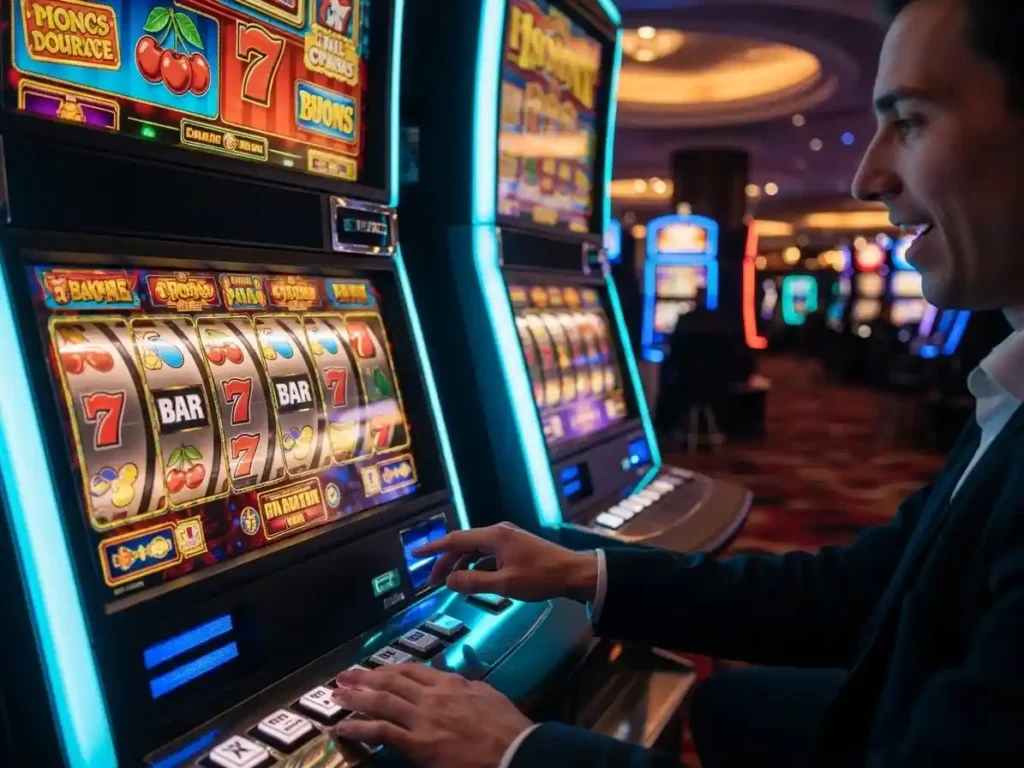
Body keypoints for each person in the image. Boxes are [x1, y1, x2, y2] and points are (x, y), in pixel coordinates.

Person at [329, 0, 1024, 765]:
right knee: (729, 704)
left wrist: (518, 751)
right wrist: (584, 570)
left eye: (913, 120)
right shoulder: (1010, 391)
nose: (869, 176)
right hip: (897, 705)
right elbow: (861, 591)